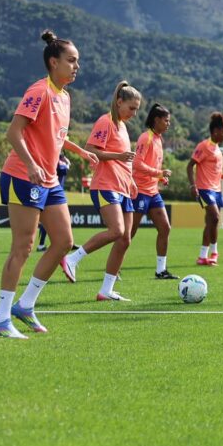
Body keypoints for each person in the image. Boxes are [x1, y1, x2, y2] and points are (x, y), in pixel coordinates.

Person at [0, 30, 98, 338]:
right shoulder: (39, 91)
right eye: (71, 61)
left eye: (78, 61)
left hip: (49, 179)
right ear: (54, 62)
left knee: (64, 241)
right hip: (23, 176)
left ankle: (25, 306)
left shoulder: (64, 96)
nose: (77, 66)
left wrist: (80, 151)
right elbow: (13, 133)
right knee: (22, 248)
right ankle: (0, 320)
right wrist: (30, 163)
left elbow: (57, 136)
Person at [60, 82, 142, 301]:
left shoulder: (123, 126)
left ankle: (106, 290)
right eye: (132, 108)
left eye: (137, 109)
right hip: (106, 185)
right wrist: (118, 156)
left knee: (125, 239)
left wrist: (131, 180)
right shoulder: (105, 121)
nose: (134, 113)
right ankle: (72, 259)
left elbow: (124, 161)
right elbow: (91, 150)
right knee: (116, 231)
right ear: (119, 102)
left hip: (123, 187)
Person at [129, 103, 177, 279]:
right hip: (139, 191)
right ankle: (115, 267)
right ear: (156, 120)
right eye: (166, 120)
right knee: (129, 233)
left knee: (165, 227)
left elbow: (151, 165)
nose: (168, 124)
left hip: (153, 192)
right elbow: (137, 164)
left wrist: (160, 178)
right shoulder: (145, 137)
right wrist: (159, 173)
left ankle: (161, 270)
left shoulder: (159, 139)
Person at [187, 113, 223, 266]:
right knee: (214, 217)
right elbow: (190, 165)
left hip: (217, 190)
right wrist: (192, 185)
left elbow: (214, 171)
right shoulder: (204, 146)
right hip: (204, 189)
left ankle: (202, 256)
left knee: (211, 223)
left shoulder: (217, 149)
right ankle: (215, 252)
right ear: (215, 131)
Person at [36, 153, 71, 252]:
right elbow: (67, 166)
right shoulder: (59, 164)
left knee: (48, 221)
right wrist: (65, 159)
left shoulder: (53, 163)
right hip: (54, 193)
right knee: (48, 222)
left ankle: (43, 244)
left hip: (52, 192)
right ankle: (42, 244)